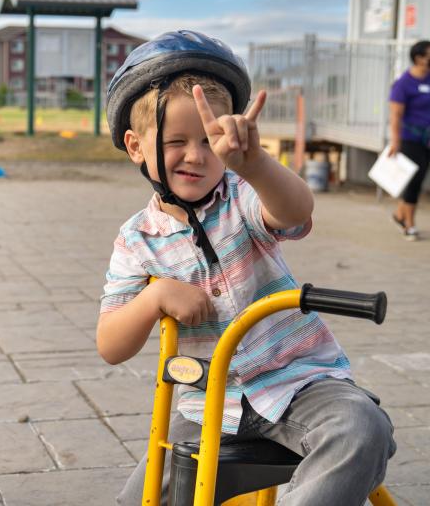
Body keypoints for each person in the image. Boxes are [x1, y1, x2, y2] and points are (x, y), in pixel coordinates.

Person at [97, 31, 396, 505]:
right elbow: (111, 345)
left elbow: (294, 212)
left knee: (362, 428)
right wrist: (153, 298)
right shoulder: (136, 240)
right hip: (208, 405)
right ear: (135, 147)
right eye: (176, 141)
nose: (196, 155)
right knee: (144, 495)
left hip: (299, 383)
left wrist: (255, 164)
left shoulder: (241, 194)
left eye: (209, 141)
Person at [388, 39, 430, 241]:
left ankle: (399, 215)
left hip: (428, 138)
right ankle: (409, 224)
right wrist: (395, 142)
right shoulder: (404, 83)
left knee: (419, 178)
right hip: (410, 138)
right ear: (419, 58)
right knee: (414, 179)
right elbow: (395, 115)